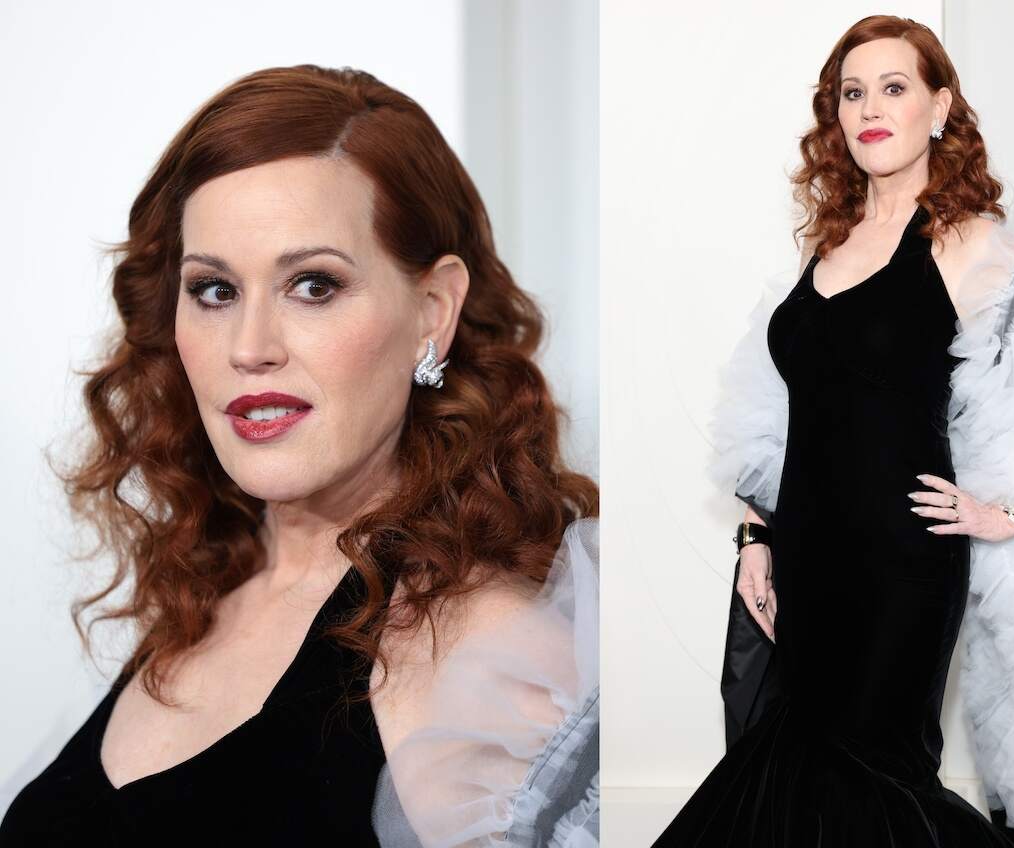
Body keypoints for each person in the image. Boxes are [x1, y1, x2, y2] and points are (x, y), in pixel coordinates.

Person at [0, 64, 599, 847]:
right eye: (214, 291)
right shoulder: (205, 595)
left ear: (433, 311)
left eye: (313, 285)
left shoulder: (481, 651)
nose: (249, 348)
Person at [653, 15, 1014, 848]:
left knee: (871, 776)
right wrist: (757, 535)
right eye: (851, 93)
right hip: (809, 562)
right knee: (796, 772)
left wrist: (1008, 508)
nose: (870, 107)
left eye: (893, 88)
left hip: (901, 564)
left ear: (939, 108)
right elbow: (791, 416)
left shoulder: (970, 245)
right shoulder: (828, 248)